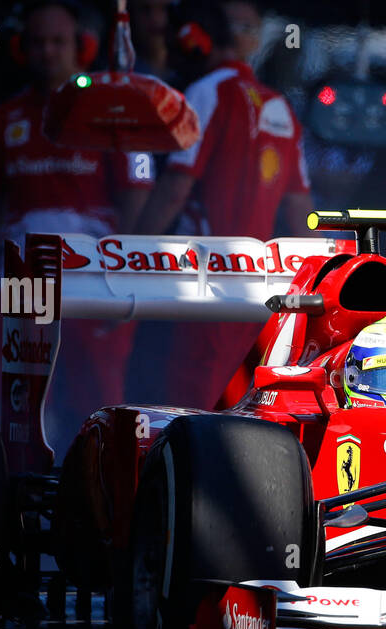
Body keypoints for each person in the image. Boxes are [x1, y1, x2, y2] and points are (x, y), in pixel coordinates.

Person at [0, 0, 152, 443]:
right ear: (21, 49)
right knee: (14, 396)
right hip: (20, 273)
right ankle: (16, 498)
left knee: (101, 397)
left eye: (58, 42)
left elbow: (139, 194)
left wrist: (132, 277)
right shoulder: (5, 116)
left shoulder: (111, 112)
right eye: (38, 43)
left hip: (95, 275)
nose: (47, 52)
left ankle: (101, 495)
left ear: (82, 47)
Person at [132, 0, 310, 409]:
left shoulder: (205, 91)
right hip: (255, 290)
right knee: (236, 409)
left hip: (197, 283)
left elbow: (175, 189)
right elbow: (302, 213)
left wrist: (128, 251)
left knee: (183, 408)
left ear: (195, 40)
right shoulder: (281, 106)